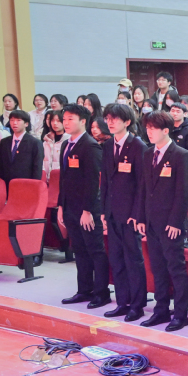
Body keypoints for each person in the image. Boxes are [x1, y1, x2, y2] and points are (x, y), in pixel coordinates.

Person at [131, 111, 188, 331]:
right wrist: (140, 216)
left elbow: (183, 193)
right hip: (151, 221)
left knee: (176, 268)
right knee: (158, 268)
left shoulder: (181, 155)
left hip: (171, 223)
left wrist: (176, 222)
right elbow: (143, 187)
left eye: (153, 128)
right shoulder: (149, 153)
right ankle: (161, 310)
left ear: (166, 130)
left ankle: (181, 314)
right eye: (147, 128)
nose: (149, 132)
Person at [58, 104, 110, 308]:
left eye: (70, 119)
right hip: (69, 207)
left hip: (87, 210)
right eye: (64, 119)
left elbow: (93, 181)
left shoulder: (90, 146)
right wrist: (61, 206)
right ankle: (84, 290)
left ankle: (102, 293)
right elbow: (63, 179)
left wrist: (87, 210)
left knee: (95, 250)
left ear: (83, 121)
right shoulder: (66, 144)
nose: (66, 123)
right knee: (79, 250)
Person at [99, 104, 147, 322]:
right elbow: (105, 182)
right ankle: (122, 302)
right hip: (112, 212)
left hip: (130, 214)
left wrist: (137, 214)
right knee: (116, 259)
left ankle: (137, 305)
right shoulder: (108, 145)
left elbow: (141, 185)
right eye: (108, 119)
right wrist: (103, 210)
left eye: (115, 119)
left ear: (127, 122)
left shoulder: (138, 146)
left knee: (133, 260)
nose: (110, 123)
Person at [0, 110, 43, 190]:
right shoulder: (4, 142)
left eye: (18, 120)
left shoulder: (35, 143)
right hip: (6, 185)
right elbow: (0, 165)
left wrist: (34, 187)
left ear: (26, 124)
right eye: (12, 120)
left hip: (26, 185)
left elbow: (37, 168)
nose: (14, 123)